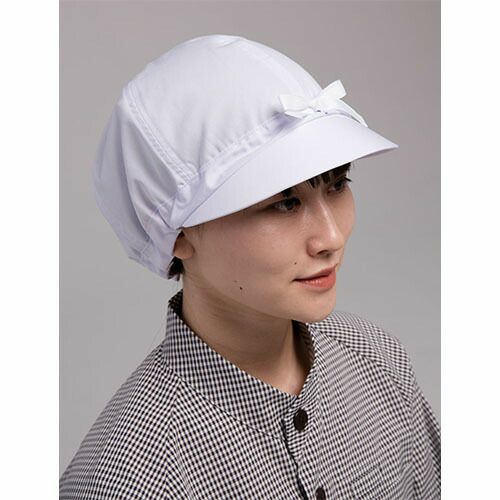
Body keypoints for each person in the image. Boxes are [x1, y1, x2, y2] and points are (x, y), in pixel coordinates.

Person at [60, 34, 440, 499]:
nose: (332, 238)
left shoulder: (376, 358)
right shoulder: (129, 478)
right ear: (178, 234)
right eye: (284, 203)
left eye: (338, 184)